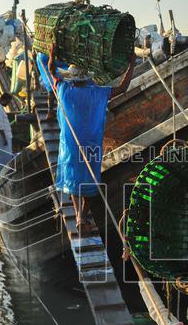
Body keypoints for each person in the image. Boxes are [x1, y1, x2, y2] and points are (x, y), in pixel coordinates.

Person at [36, 53, 135, 234]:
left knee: (74, 177)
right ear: (87, 77)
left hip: (71, 143)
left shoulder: (64, 89)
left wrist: (51, 52)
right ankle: (83, 214)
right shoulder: (98, 92)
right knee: (90, 177)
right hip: (91, 142)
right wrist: (132, 64)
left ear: (72, 77)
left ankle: (79, 215)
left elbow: (50, 70)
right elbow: (123, 88)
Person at [0, 93, 15, 176]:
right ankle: (1, 174)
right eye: (8, 101)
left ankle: (4, 173)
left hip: (3, 136)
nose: (8, 103)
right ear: (4, 99)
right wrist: (4, 139)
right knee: (3, 157)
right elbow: (0, 126)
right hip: (2, 137)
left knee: (5, 156)